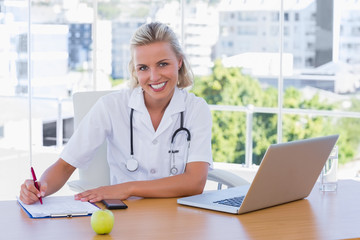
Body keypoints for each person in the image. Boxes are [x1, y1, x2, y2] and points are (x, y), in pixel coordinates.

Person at [20, 22, 213, 205]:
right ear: (135, 71)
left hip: (176, 215)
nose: (154, 77)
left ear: (179, 62)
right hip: (124, 214)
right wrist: (40, 188)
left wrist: (128, 188)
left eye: (163, 64)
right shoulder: (111, 106)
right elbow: (65, 165)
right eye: (143, 68)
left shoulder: (196, 109)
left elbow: (195, 183)